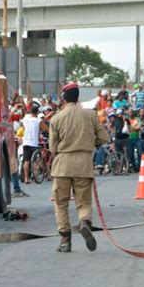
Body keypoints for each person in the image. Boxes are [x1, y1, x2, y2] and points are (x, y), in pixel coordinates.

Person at [49, 82, 109, 253]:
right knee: (83, 202)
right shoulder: (90, 115)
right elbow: (104, 137)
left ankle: (65, 241)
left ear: (63, 98)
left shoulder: (56, 118)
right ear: (78, 97)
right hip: (84, 164)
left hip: (62, 165)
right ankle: (84, 222)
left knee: (61, 203)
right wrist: (90, 142)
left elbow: (53, 148)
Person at [22, 105, 48, 184]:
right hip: (34, 143)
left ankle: (26, 179)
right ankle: (36, 173)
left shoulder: (25, 120)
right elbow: (46, 129)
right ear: (37, 112)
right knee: (37, 159)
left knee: (26, 161)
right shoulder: (38, 121)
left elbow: (24, 128)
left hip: (26, 142)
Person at [126, 108, 141, 172]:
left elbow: (139, 127)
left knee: (140, 153)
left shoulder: (137, 119)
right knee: (131, 154)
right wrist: (134, 128)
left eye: (131, 112)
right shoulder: (127, 120)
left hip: (137, 138)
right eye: (129, 112)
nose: (130, 113)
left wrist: (131, 128)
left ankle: (139, 166)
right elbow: (126, 128)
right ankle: (134, 167)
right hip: (129, 138)